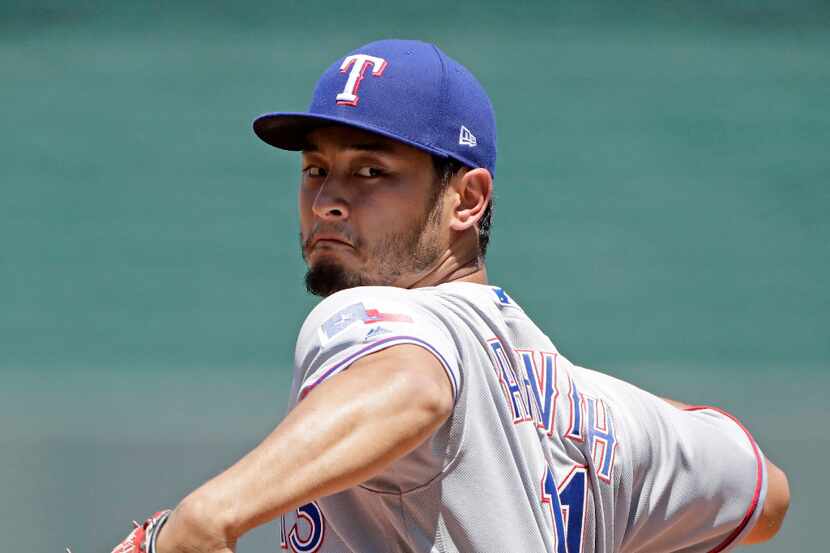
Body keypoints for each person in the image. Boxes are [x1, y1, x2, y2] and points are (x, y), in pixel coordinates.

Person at [112, 39, 789, 553]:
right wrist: (574, 402)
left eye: (371, 170)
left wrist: (206, 516)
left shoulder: (377, 317)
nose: (328, 200)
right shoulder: (594, 411)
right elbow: (764, 492)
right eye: (316, 168)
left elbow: (413, 383)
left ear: (467, 199)